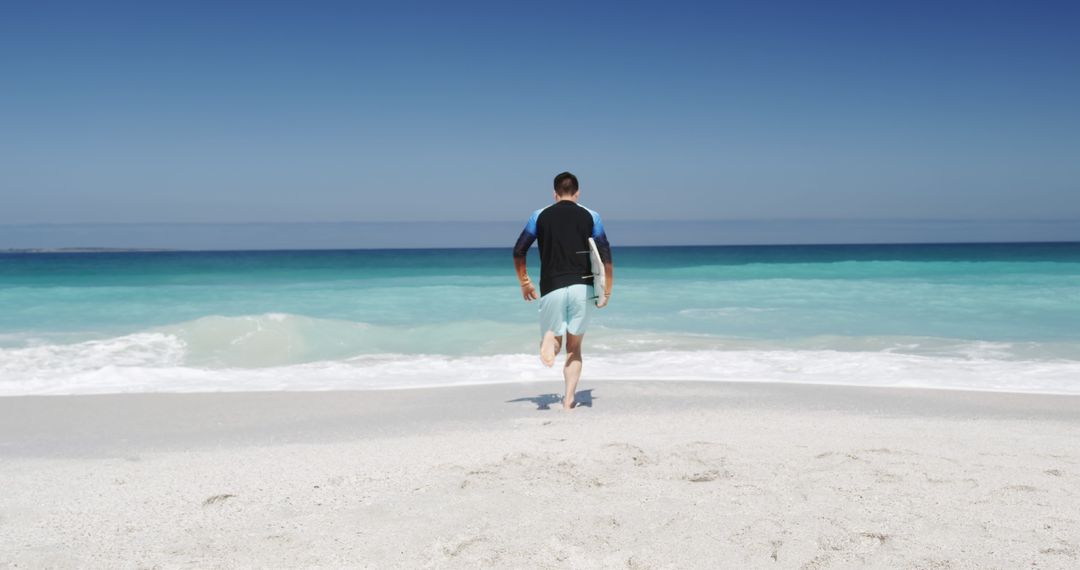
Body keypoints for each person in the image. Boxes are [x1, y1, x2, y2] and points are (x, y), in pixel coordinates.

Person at [512, 171, 613, 410]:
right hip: (583, 286)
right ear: (577, 193)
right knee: (575, 348)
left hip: (551, 287)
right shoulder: (592, 216)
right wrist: (607, 289)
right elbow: (605, 255)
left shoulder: (539, 216)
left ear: (554, 194)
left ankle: (550, 340)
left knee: (555, 337)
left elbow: (519, 251)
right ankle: (569, 399)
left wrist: (525, 282)